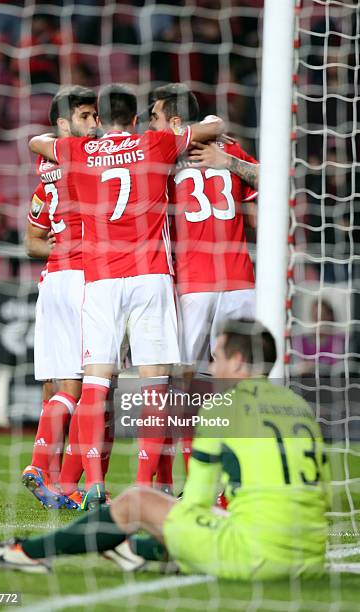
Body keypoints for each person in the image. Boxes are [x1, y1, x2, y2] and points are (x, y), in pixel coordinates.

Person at [0, 319, 331, 580]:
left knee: (136, 501)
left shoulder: (223, 408)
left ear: (238, 361)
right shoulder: (299, 407)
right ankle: (127, 548)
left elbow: (196, 502)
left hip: (257, 557)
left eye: (217, 356)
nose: (211, 366)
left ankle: (26, 552)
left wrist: (154, 520)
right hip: (310, 558)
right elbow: (324, 495)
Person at [27, 84, 225, 506]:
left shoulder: (78, 152)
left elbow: (37, 143)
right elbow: (214, 126)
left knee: (95, 384)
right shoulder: (154, 143)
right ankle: (143, 482)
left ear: (99, 118)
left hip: (98, 280)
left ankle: (93, 482)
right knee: (155, 385)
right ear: (135, 120)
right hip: (150, 276)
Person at [149, 83, 259, 471]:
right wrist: (226, 160)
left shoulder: (160, 156)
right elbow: (270, 181)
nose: (151, 126)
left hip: (194, 283)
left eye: (155, 118)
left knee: (181, 380)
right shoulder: (227, 147)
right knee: (240, 380)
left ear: (174, 121)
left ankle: (194, 473)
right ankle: (239, 474)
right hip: (240, 280)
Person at [22, 85, 102, 510]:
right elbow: (30, 239)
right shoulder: (86, 158)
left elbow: (33, 239)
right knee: (85, 387)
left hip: (53, 280)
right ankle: (46, 470)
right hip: (80, 281)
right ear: (63, 124)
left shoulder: (46, 167)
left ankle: (56, 480)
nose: (95, 124)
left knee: (59, 387)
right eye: (87, 116)